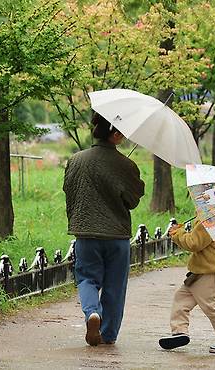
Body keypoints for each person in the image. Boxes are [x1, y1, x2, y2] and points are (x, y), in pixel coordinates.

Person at [63, 111, 145, 346]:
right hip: (116, 236)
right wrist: (135, 182)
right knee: (115, 287)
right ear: (116, 134)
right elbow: (132, 200)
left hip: (86, 233)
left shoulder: (76, 160)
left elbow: (69, 191)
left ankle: (92, 313)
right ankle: (108, 334)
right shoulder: (126, 164)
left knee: (87, 279)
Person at [158, 219, 215, 354]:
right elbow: (200, 240)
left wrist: (178, 233)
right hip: (200, 272)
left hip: (210, 272)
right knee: (181, 298)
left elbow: (194, 243)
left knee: (210, 307)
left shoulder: (209, 221)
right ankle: (180, 332)